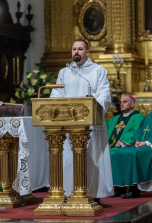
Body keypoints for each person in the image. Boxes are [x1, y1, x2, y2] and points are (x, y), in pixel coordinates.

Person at [50, 39, 113, 201]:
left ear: (87, 52)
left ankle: (94, 194)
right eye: (74, 49)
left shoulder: (99, 71)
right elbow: (56, 93)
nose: (76, 52)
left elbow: (104, 95)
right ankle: (70, 192)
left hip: (90, 124)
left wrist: (93, 105)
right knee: (69, 159)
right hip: (68, 123)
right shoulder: (64, 72)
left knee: (92, 158)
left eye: (79, 49)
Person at [106, 94, 144, 196]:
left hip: (128, 146)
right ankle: (118, 188)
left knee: (119, 154)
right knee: (107, 154)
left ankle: (129, 188)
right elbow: (103, 128)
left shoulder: (138, 117)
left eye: (125, 102)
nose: (121, 104)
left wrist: (123, 142)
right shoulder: (115, 118)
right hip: (112, 147)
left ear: (132, 104)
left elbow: (136, 132)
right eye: (121, 102)